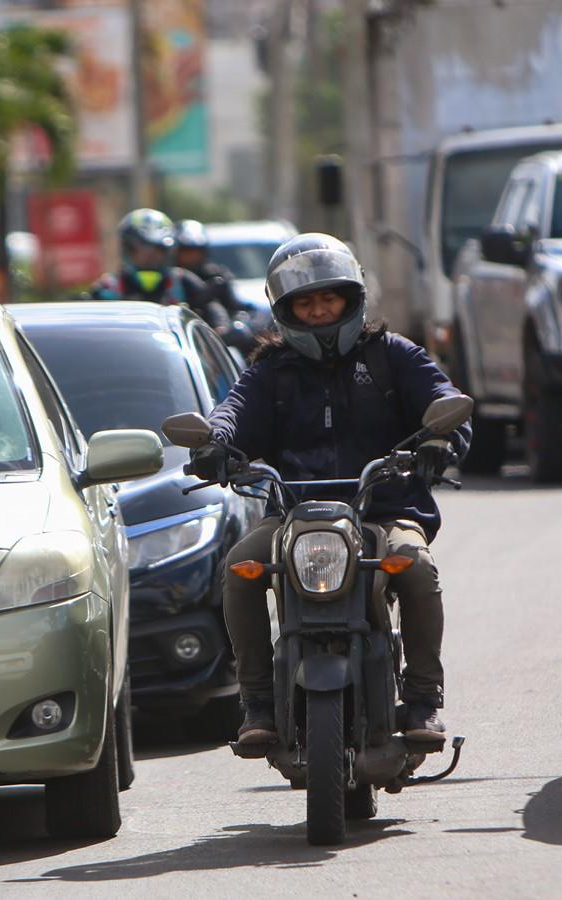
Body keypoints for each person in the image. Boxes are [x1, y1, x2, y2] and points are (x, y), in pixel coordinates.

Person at [189, 233, 472, 745]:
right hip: (293, 516)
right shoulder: (270, 371)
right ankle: (257, 704)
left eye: (328, 299)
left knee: (417, 568)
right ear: (286, 310)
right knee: (238, 571)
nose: (319, 311)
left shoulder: (392, 355)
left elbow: (443, 399)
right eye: (305, 302)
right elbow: (231, 413)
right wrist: (215, 445)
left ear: (351, 299)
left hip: (384, 510)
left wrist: (441, 440)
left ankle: (424, 699)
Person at [88, 208, 229, 329]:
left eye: (157, 251)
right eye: (142, 251)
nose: (150, 258)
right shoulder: (108, 288)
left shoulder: (182, 281)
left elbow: (213, 311)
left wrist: (222, 327)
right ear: (127, 250)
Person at [175, 219, 241, 318]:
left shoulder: (217, 276)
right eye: (187, 251)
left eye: (197, 251)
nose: (193, 256)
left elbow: (234, 308)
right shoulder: (170, 277)